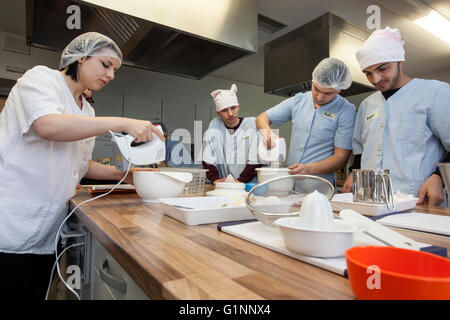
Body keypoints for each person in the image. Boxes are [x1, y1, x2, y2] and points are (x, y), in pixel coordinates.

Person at [0, 32, 165, 300]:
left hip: (46, 232)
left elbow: (81, 163)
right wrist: (123, 122)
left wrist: (125, 176)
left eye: (114, 69)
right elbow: (47, 125)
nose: (111, 75)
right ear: (81, 57)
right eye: (106, 64)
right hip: (10, 223)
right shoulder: (41, 78)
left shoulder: (87, 111)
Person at [342, 27, 450, 206]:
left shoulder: (435, 93)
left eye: (382, 69)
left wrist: (438, 177)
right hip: (370, 200)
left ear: (400, 60)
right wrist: (354, 172)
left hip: (417, 200)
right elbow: (362, 149)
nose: (375, 79)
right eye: (368, 73)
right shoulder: (368, 105)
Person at [256, 57, 356, 186]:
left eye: (328, 93)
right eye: (316, 89)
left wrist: (308, 169)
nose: (320, 97)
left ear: (339, 90)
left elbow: (341, 158)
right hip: (289, 183)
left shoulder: (346, 110)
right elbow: (262, 118)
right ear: (313, 80)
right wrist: (267, 133)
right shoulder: (299, 101)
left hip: (319, 186)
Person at [202, 84, 262, 183]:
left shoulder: (251, 124)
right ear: (218, 113)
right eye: (224, 110)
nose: (230, 114)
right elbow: (208, 157)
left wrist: (240, 181)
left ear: (238, 107)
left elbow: (256, 159)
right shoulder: (215, 125)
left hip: (249, 185)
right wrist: (215, 179)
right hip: (223, 186)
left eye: (233, 108)